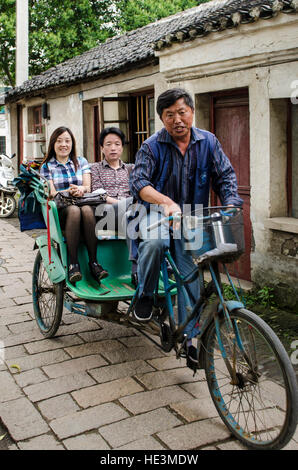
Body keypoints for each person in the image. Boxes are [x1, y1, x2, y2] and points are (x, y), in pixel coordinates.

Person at [129, 88, 243, 363]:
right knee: (155, 242)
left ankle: (191, 340)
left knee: (191, 277)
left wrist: (231, 203)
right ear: (162, 119)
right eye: (170, 115)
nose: (177, 119)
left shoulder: (209, 142)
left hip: (191, 217)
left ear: (191, 112)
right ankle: (144, 294)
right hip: (156, 213)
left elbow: (225, 176)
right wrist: (166, 202)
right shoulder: (152, 146)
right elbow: (140, 183)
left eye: (182, 112)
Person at [40, 126, 108, 285]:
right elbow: (52, 193)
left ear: (72, 144)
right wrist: (70, 191)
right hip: (61, 211)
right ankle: (73, 264)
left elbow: (87, 187)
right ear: (53, 144)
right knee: (74, 211)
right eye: (59, 141)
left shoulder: (81, 161)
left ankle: (94, 263)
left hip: (82, 204)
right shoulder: (47, 167)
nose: (63, 144)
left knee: (85, 209)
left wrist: (80, 189)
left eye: (67, 141)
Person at [91, 127, 137, 285]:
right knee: (135, 208)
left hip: (128, 213)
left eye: (117, 144)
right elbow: (98, 194)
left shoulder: (131, 169)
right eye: (108, 144)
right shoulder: (95, 168)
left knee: (132, 217)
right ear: (102, 148)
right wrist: (123, 203)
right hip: (106, 213)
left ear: (122, 147)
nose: (113, 148)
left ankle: (136, 270)